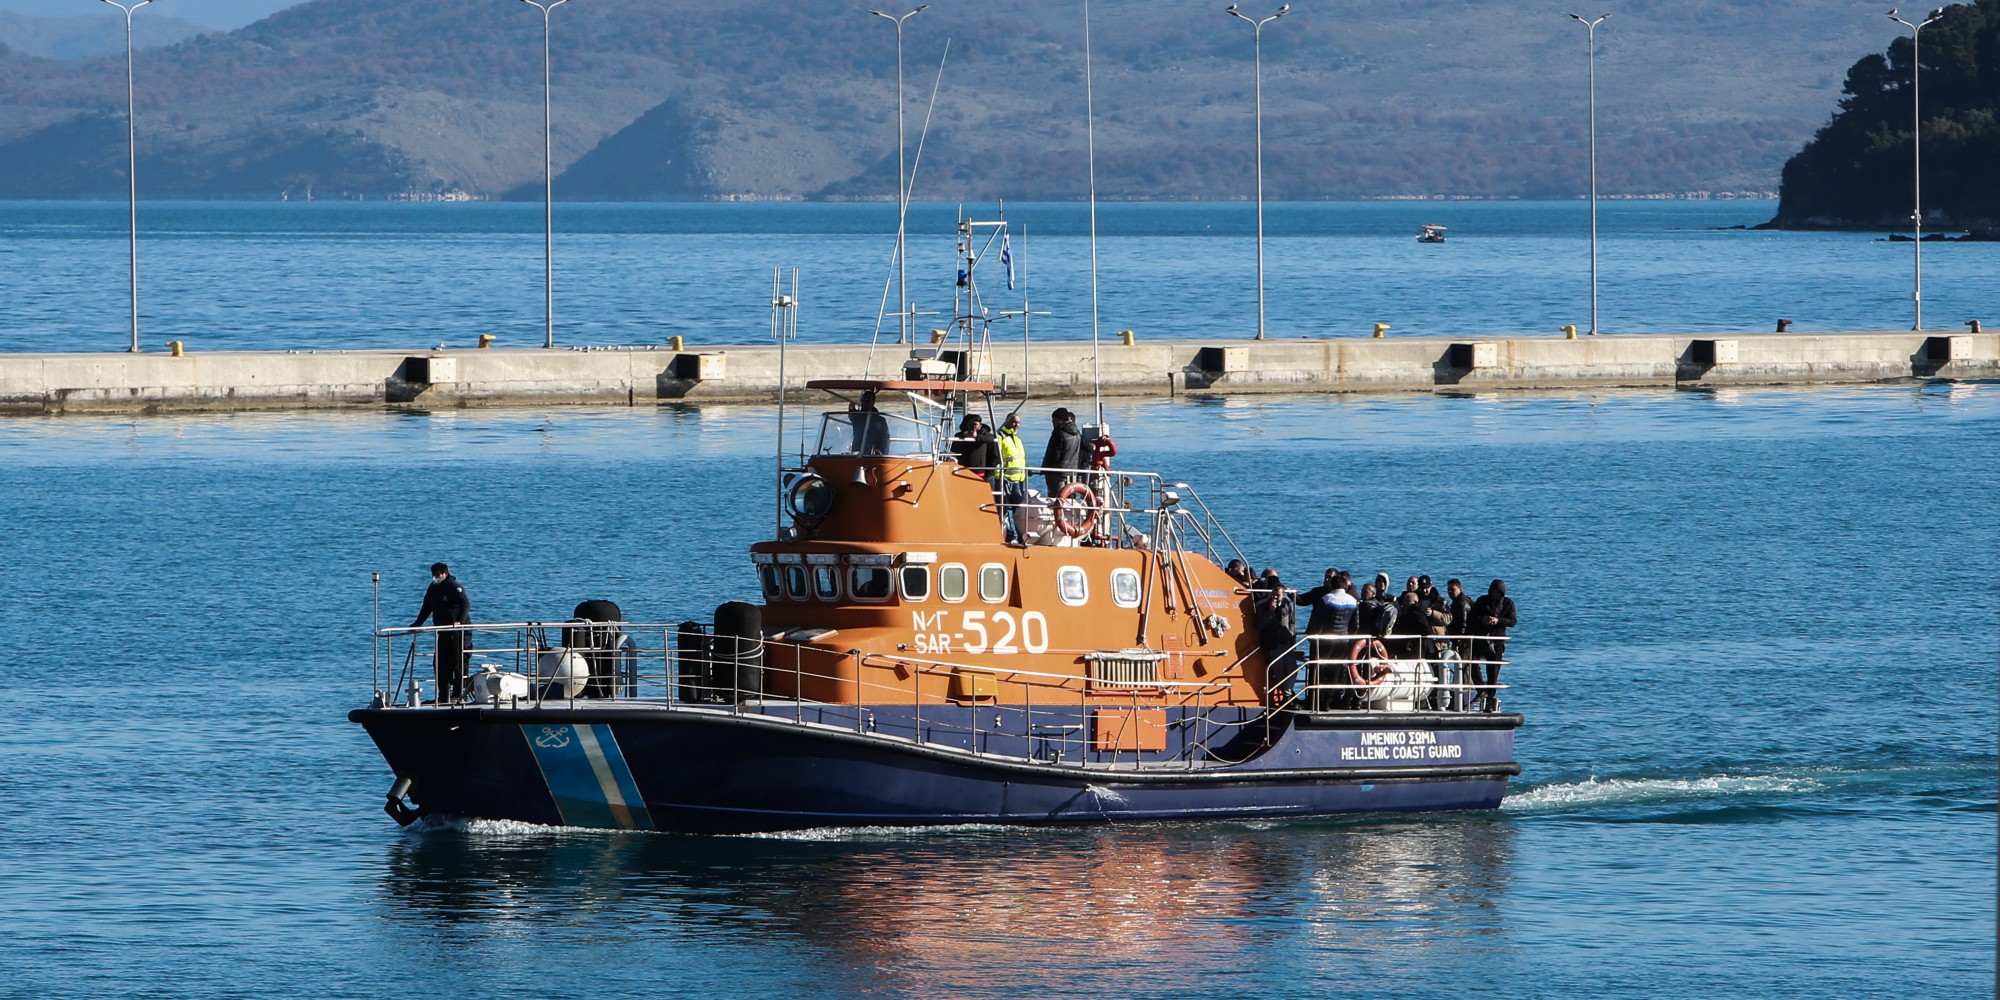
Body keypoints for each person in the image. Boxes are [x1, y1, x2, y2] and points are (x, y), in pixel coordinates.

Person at [411, 562, 471, 704]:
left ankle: (458, 694)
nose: (435, 578)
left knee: (458, 662)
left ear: (445, 574)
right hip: (443, 632)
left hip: (459, 632)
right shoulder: (433, 588)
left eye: (438, 575)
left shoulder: (454, 586)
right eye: (433, 575)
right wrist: (418, 623)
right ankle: (443, 696)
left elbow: (465, 604)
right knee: (440, 663)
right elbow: (427, 606)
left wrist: (459, 621)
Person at [1301, 569, 1359, 710]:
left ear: (1332, 586)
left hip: (1325, 641)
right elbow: (1355, 625)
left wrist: (1312, 637)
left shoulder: (1326, 600)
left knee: (1320, 670)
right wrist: (1349, 639)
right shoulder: (1353, 600)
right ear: (1345, 586)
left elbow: (1316, 621)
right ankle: (1328, 701)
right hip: (1343, 641)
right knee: (1334, 672)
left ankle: (1316, 701)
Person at [1468, 579, 1518, 712]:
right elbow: (1472, 617)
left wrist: (1498, 621)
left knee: (1493, 671)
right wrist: (1483, 620)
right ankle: (1480, 689)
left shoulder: (1508, 603)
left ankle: (1490, 698)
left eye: (1498, 592)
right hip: (1481, 639)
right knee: (1472, 662)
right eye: (1493, 591)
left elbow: (1513, 621)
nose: (1495, 594)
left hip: (1497, 640)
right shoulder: (1482, 600)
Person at [1255, 571, 1298, 705]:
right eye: (1273, 594)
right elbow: (1260, 624)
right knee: (1280, 670)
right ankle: (1288, 696)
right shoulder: (1263, 605)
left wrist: (1292, 637)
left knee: (1292, 669)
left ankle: (1289, 693)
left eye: (1278, 595)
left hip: (1285, 641)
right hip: (1272, 642)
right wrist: (1270, 611)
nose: (1275, 597)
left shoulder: (1286, 605)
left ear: (1283, 595)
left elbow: (1291, 622)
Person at [995, 411, 1029, 543]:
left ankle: (1021, 536)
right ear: (1007, 421)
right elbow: (997, 458)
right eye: (1014, 422)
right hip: (1005, 478)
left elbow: (1021, 459)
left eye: (1018, 422)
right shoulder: (1000, 437)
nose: (1016, 425)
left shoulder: (1018, 439)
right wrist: (999, 477)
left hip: (1019, 480)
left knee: (1019, 511)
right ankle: (1009, 535)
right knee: (1004, 509)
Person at [1041, 407, 1084, 496]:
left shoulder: (1059, 432)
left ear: (1060, 420)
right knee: (1070, 499)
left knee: (1057, 498)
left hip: (1057, 473)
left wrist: (1045, 468)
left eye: (1054, 419)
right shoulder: (1077, 433)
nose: (1052, 422)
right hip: (1072, 472)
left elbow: (1054, 454)